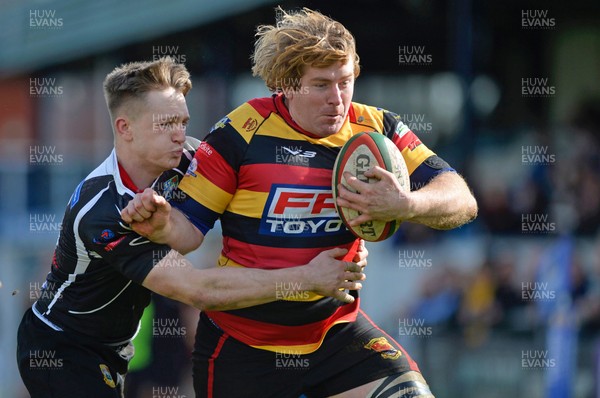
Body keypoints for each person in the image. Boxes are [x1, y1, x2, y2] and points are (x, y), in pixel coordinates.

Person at [122, 8, 478, 397]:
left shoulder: (377, 129)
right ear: (287, 84)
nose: (337, 99)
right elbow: (188, 231)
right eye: (321, 85)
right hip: (243, 346)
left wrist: (406, 204)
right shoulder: (239, 133)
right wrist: (161, 224)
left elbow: (461, 199)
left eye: (345, 82)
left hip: (336, 334)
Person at [16, 57, 367, 398]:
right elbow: (197, 290)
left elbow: (270, 189)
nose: (179, 135)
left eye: (183, 122)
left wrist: (345, 228)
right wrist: (310, 277)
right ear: (125, 128)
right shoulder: (105, 210)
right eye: (165, 124)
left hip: (118, 347)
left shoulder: (191, 160)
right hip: (61, 346)